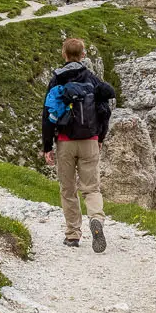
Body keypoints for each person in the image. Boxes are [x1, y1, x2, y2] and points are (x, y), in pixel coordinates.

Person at [41, 38, 116, 251]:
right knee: (91, 188)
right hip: (90, 141)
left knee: (68, 189)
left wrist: (47, 146)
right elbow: (104, 110)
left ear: (64, 54)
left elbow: (48, 115)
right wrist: (100, 137)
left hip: (65, 143)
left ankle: (73, 235)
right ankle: (96, 220)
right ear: (83, 55)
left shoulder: (57, 80)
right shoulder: (92, 79)